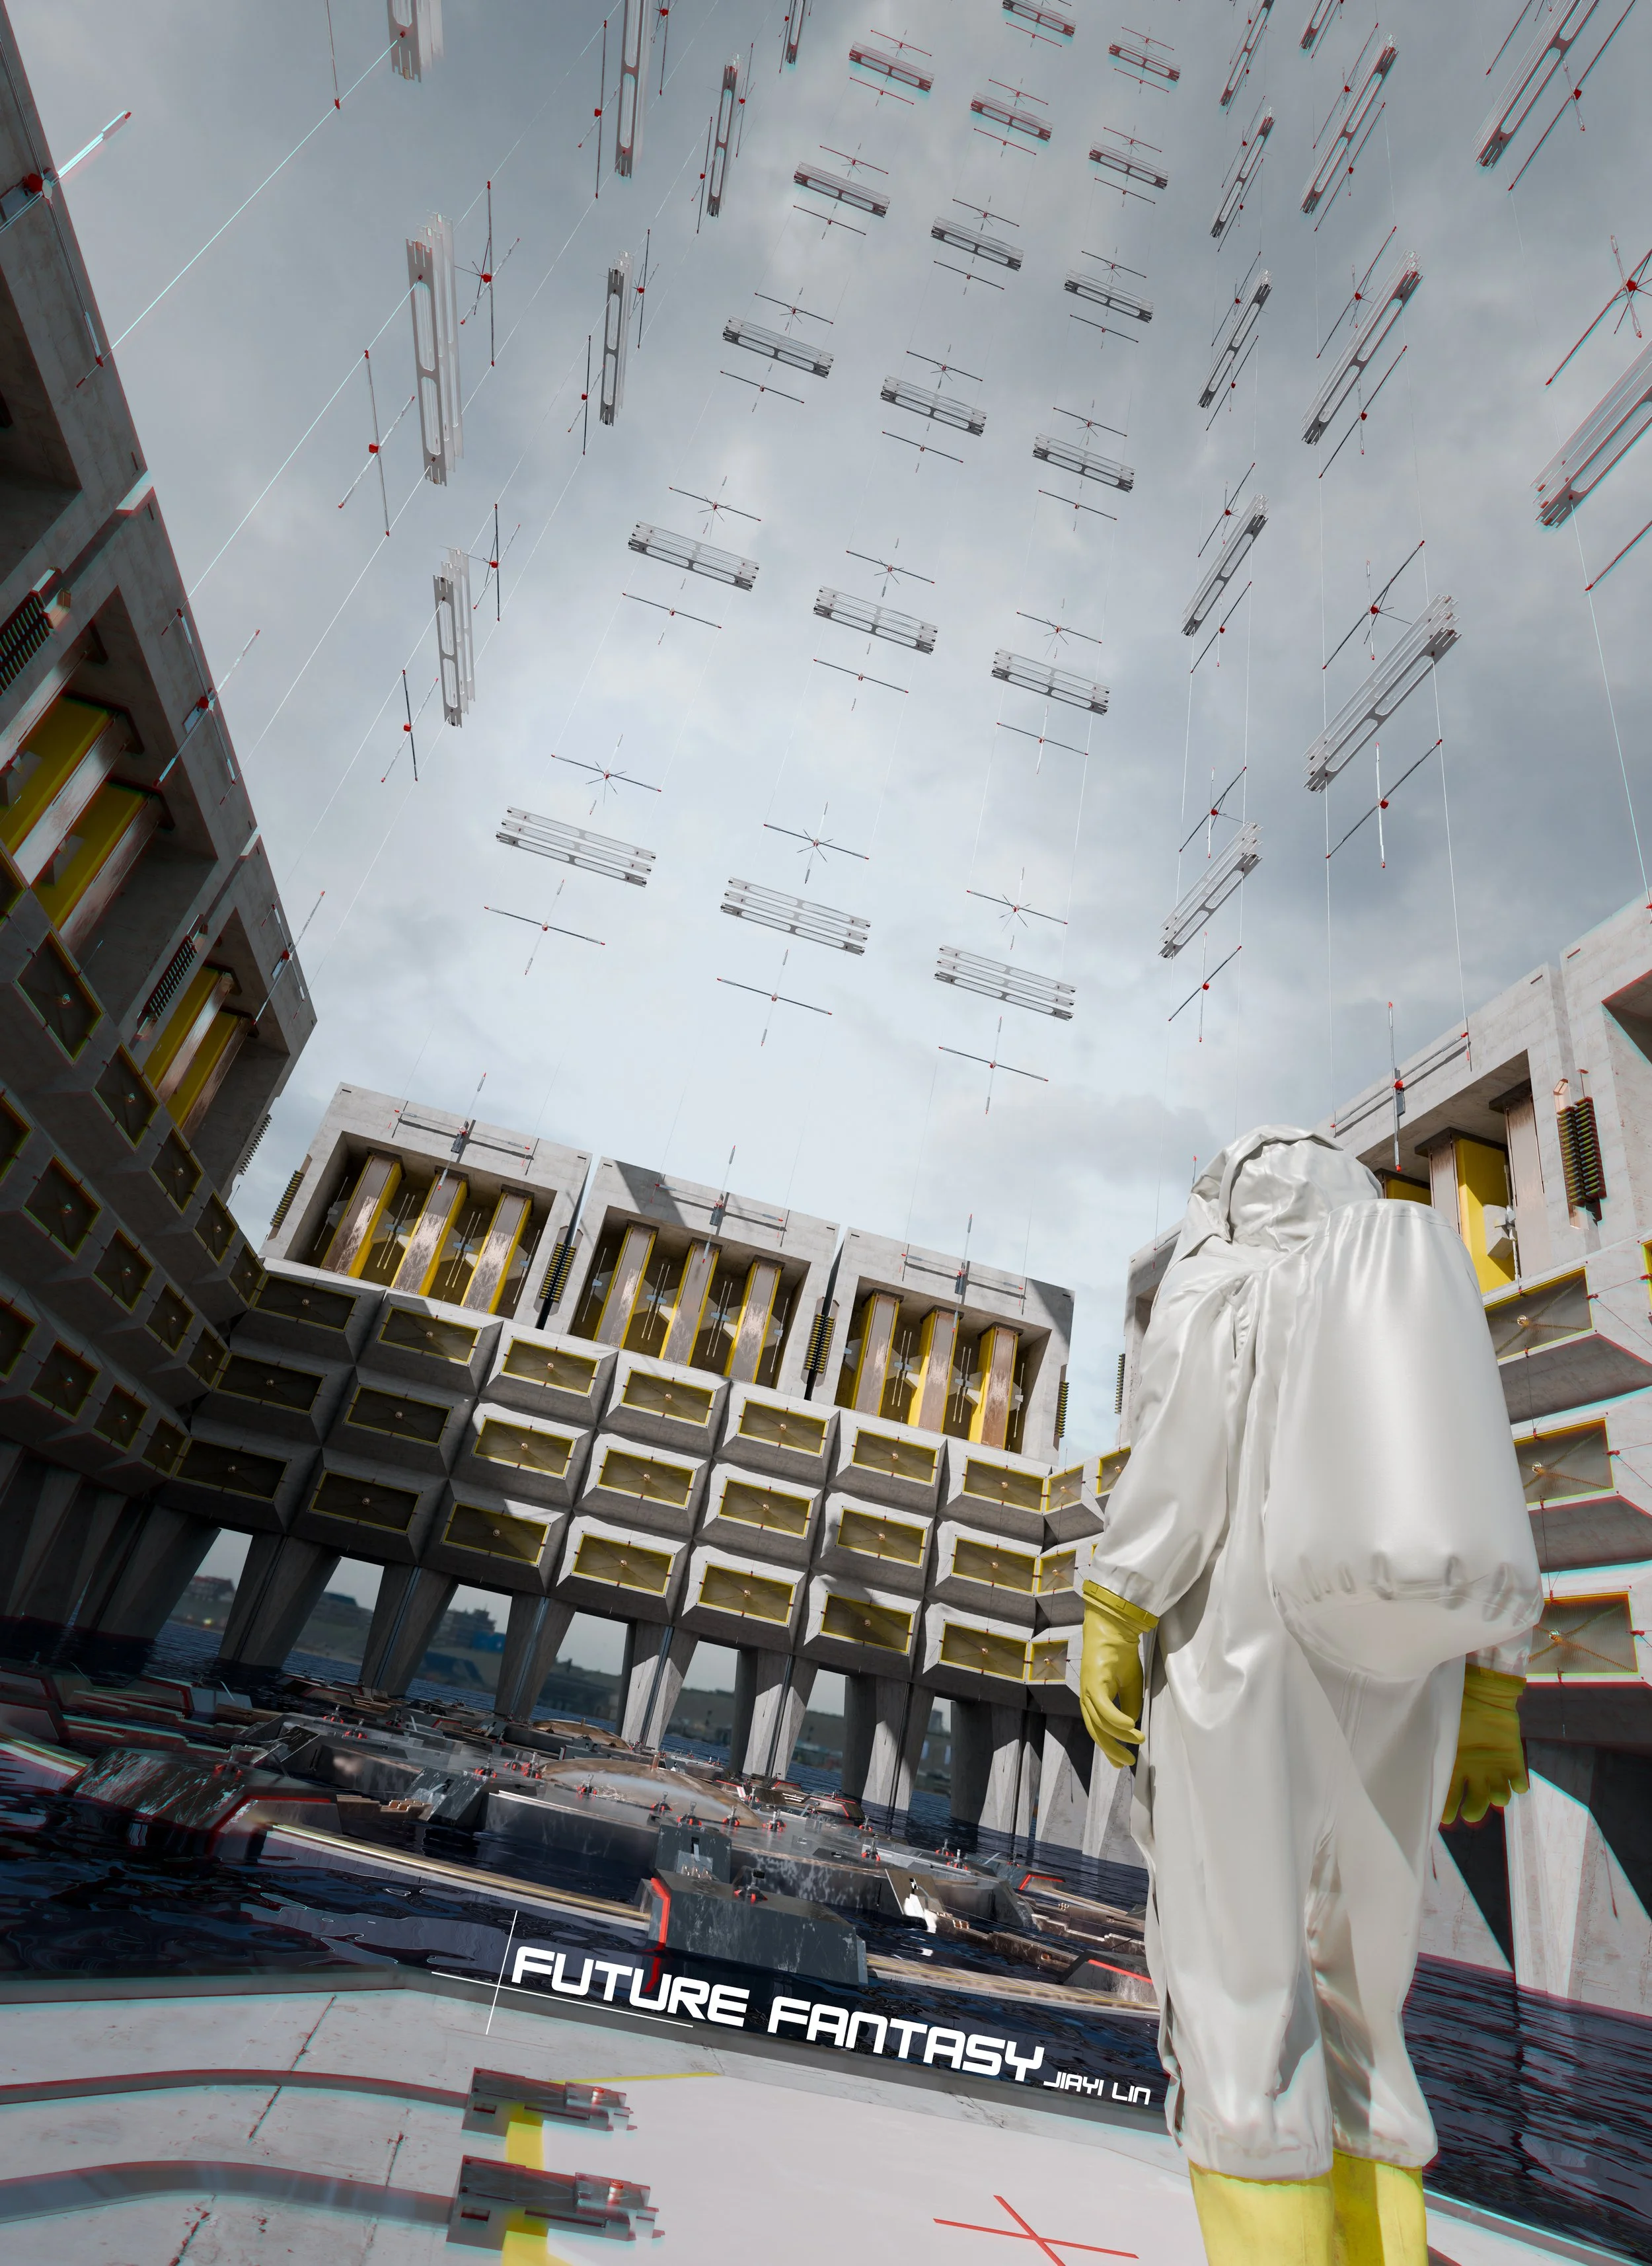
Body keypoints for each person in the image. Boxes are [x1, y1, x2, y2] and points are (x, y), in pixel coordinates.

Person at [1079, 1126, 1540, 2266]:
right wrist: (1493, 1693)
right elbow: (1487, 1498)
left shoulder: (1237, 1285)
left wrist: (1116, 1602)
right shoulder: (1420, 1325)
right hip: (1410, 1678)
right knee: (1364, 2010)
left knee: (1242, 1997)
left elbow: (1181, 1455)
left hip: (1244, 1662)